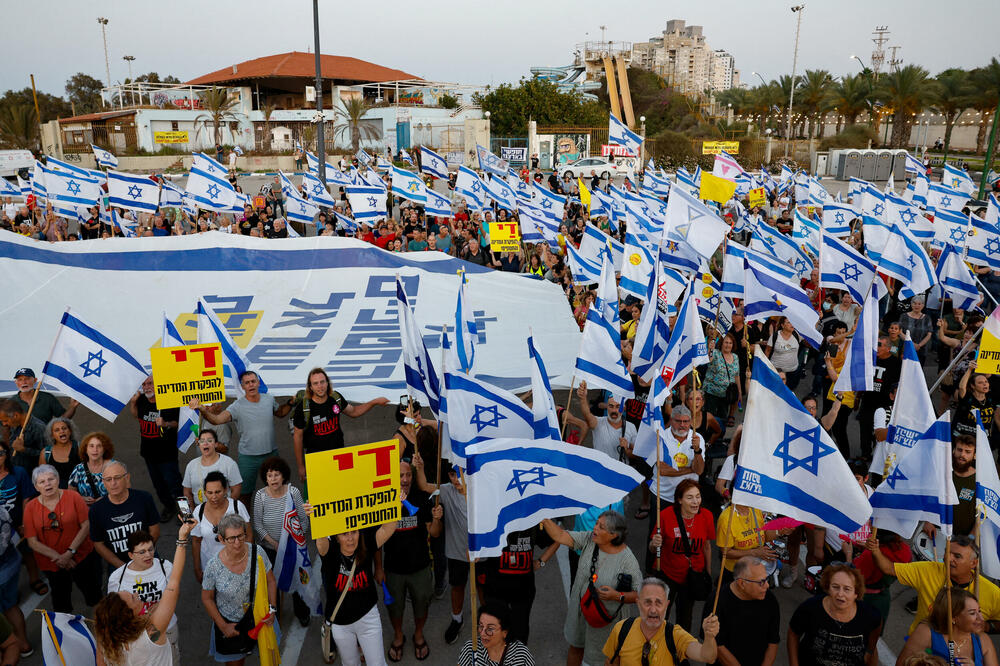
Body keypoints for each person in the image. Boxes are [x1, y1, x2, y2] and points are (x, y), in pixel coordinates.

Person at [541, 511, 642, 666]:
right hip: (581, 610)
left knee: (608, 657)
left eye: (601, 527)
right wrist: (542, 515)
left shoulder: (628, 560)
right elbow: (560, 535)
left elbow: (639, 595)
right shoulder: (589, 539)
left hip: (606, 620)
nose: (595, 528)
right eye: (596, 523)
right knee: (575, 647)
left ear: (614, 535)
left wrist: (617, 596)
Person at [94, 518, 194, 666]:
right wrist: (182, 539)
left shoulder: (107, 640)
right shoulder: (153, 632)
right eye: (133, 598)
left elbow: (100, 663)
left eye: (150, 549)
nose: (136, 594)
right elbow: (173, 584)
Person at [865, 533, 1000, 636]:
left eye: (957, 556)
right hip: (920, 648)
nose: (948, 558)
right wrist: (876, 550)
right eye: (948, 553)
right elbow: (889, 569)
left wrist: (987, 627)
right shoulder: (928, 570)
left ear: (973, 563)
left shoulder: (992, 593)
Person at [192, 371, 293, 505]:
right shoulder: (237, 406)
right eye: (247, 383)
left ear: (258, 383)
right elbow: (216, 420)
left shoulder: (268, 399)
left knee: (279, 489)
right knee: (244, 494)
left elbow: (280, 412)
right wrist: (202, 409)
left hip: (271, 454)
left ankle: (281, 518)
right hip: (248, 458)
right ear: (242, 386)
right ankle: (244, 524)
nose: (250, 385)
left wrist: (291, 402)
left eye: (253, 381)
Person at [382, 458, 443, 662]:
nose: (405, 479)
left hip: (420, 567)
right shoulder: (384, 499)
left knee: (422, 604)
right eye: (400, 475)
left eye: (408, 475)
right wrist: (378, 568)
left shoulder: (421, 498)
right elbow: (375, 539)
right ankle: (398, 635)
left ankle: (418, 633)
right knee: (395, 608)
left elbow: (434, 534)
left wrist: (436, 519)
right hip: (393, 569)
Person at [316, 521, 398, 666]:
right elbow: (321, 543)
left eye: (354, 532)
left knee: (377, 663)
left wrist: (394, 503)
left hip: (368, 618)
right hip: (341, 624)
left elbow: (388, 528)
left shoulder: (365, 544)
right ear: (336, 537)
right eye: (344, 534)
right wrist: (315, 517)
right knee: (350, 664)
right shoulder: (330, 551)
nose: (350, 538)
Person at [23, 464, 102, 613]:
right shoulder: (30, 508)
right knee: (61, 603)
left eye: (51, 479)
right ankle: (68, 635)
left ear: (58, 480)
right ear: (36, 486)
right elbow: (32, 541)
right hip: (53, 563)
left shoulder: (73, 497)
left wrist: (69, 553)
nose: (47, 484)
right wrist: (60, 558)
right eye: (42, 482)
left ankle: (105, 630)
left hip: (81, 556)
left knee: (94, 595)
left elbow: (86, 525)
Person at [201, 514, 277, 666]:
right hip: (232, 625)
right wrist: (223, 626)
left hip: (261, 619)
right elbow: (207, 598)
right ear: (222, 540)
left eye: (241, 536)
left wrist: (272, 609)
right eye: (231, 538)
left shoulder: (258, 553)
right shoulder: (213, 566)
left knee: (269, 660)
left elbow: (270, 581)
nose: (237, 543)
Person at [291, 368, 388, 483]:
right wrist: (301, 466)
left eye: (322, 382)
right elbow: (297, 437)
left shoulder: (335, 398)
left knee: (341, 491)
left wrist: (374, 402)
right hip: (316, 460)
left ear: (327, 383)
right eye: (315, 383)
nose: (320, 386)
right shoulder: (303, 407)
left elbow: (354, 411)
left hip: (339, 456)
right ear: (310, 387)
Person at [602, 577, 719, 666]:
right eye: (647, 602)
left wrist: (709, 637)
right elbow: (610, 663)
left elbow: (708, 657)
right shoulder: (622, 629)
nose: (653, 610)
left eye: (659, 603)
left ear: (667, 605)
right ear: (638, 603)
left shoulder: (675, 635)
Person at [648, 479, 714, 633]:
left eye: (698, 496)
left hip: (692, 576)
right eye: (690, 497)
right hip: (667, 574)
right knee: (660, 614)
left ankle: (680, 652)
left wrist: (708, 573)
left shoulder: (707, 516)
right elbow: (652, 549)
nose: (695, 501)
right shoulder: (665, 515)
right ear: (679, 499)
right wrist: (654, 543)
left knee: (685, 618)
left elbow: (706, 546)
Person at [251, 456, 310, 627]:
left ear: (283, 476)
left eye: (277, 475)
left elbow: (303, 520)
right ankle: (273, 614)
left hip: (292, 546)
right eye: (270, 476)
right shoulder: (260, 496)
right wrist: (276, 544)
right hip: (270, 547)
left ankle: (302, 612)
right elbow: (258, 525)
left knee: (298, 581)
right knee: (272, 583)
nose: (273, 479)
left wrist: (294, 540)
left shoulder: (294, 493)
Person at [105, 530, 181, 663]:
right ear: (130, 555)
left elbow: (174, 592)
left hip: (167, 629)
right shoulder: (117, 578)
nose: (148, 555)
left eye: (151, 549)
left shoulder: (165, 567)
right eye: (142, 552)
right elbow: (114, 611)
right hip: (136, 637)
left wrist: (161, 605)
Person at [89, 460, 161, 574]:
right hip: (117, 565)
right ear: (103, 482)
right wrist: (122, 566)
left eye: (117, 478)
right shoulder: (96, 510)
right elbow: (98, 544)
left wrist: (142, 557)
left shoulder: (144, 499)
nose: (113, 483)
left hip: (148, 558)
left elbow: (155, 530)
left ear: (127, 478)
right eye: (108, 479)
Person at [897, 588, 999, 666]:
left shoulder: (982, 639)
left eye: (979, 611)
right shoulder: (926, 632)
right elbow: (901, 664)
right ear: (953, 618)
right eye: (972, 613)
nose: (980, 618)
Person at [129, 376, 183, 523]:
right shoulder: (141, 400)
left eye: (150, 383)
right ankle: (169, 507)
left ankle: (185, 511)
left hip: (167, 453)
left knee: (175, 484)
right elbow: (136, 415)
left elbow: (178, 423)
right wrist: (133, 403)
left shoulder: (168, 400)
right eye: (144, 384)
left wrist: (165, 423)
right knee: (159, 485)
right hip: (148, 453)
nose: (147, 387)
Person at [709, 556, 781, 666]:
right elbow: (716, 644)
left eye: (767, 579)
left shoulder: (770, 600)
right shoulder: (716, 601)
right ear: (742, 583)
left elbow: (773, 640)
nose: (767, 586)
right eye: (761, 582)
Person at [191, 472, 251, 585]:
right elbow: (196, 541)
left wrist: (247, 562)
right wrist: (197, 568)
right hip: (209, 567)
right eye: (209, 492)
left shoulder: (238, 507)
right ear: (205, 493)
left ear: (225, 490)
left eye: (218, 492)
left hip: (237, 565)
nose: (214, 497)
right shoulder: (198, 512)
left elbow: (249, 536)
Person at [576, 383, 638, 462]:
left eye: (618, 406)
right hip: (600, 471)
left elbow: (636, 455)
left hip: (620, 472)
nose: (614, 411)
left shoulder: (631, 427)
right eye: (611, 406)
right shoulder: (598, 423)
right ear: (607, 407)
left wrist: (626, 449)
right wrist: (583, 398)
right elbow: (587, 415)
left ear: (623, 408)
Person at [459, 603, 535, 666]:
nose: (482, 633)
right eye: (481, 626)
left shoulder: (521, 656)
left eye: (490, 629)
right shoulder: (471, 647)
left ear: (505, 632)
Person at [183, 429, 242, 505]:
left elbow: (236, 489)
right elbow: (187, 492)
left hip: (223, 508)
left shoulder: (229, 463)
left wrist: (227, 508)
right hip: (199, 509)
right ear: (198, 444)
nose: (205, 443)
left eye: (210, 441)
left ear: (216, 444)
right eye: (202, 441)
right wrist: (192, 511)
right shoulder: (191, 465)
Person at [10, 367, 75, 427]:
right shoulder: (10, 402)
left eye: (27, 379)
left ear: (35, 380)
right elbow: (5, 426)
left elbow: (63, 419)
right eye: (20, 379)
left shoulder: (47, 398)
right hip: (20, 439)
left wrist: (72, 406)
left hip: (45, 438)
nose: (23, 382)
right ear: (16, 382)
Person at [703, 334, 742, 425]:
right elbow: (709, 359)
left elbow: (737, 375)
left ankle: (719, 437)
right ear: (721, 343)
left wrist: (739, 392)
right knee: (710, 419)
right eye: (726, 342)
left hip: (726, 395)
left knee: (722, 419)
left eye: (730, 343)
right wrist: (710, 349)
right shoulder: (715, 353)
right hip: (711, 393)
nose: (728, 345)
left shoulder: (735, 357)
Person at [67, 431, 113, 504]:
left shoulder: (114, 467)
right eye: (91, 446)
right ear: (86, 449)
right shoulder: (79, 469)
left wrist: (107, 498)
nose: (95, 450)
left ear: (104, 449)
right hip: (86, 511)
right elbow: (70, 493)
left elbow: (124, 490)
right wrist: (80, 498)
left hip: (110, 510)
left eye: (99, 446)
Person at [0, 398, 45, 471]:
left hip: (31, 474)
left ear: (16, 415)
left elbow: (47, 455)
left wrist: (23, 449)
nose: (4, 424)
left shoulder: (38, 428)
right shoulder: (14, 425)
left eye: (5, 421)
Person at [39, 417, 80, 488]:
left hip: (82, 494)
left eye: (64, 428)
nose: (62, 431)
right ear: (52, 435)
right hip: (58, 495)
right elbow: (43, 478)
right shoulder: (46, 453)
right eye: (57, 430)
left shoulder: (80, 448)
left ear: (70, 431)